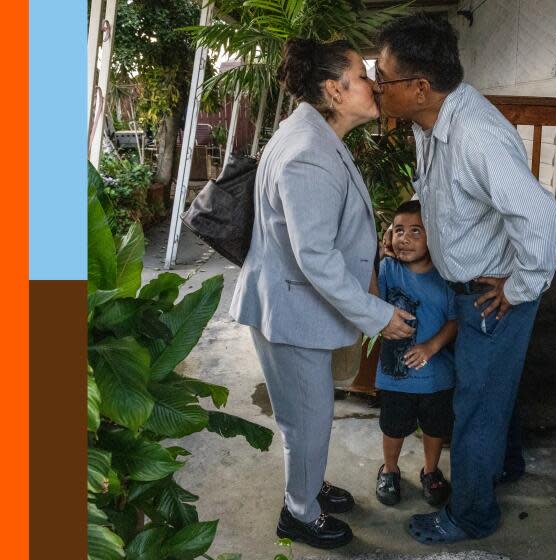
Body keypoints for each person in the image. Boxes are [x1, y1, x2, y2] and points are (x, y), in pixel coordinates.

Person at [374, 15, 556, 543]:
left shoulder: (476, 135)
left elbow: (546, 226)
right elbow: (444, 198)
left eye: (382, 77)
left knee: (475, 406)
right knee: (489, 392)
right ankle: (504, 467)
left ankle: (472, 515)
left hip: (493, 293)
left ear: (419, 87)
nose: (376, 87)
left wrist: (519, 286)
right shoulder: (430, 123)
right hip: (470, 284)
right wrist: (412, 234)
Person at [229, 37, 416, 550]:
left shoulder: (315, 135)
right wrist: (378, 314)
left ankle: (308, 485)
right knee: (305, 419)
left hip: (294, 306)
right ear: (335, 90)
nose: (375, 84)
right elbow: (315, 259)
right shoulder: (309, 153)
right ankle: (299, 513)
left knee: (310, 414)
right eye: (363, 75)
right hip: (289, 311)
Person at [373, 200, 458, 508]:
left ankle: (431, 472)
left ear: (432, 236)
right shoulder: (387, 269)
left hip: (437, 376)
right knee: (393, 427)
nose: (404, 238)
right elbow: (372, 305)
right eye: (398, 231)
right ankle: (390, 470)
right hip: (397, 377)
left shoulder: (446, 275)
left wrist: (431, 347)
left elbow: (454, 320)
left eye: (415, 232)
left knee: (435, 428)